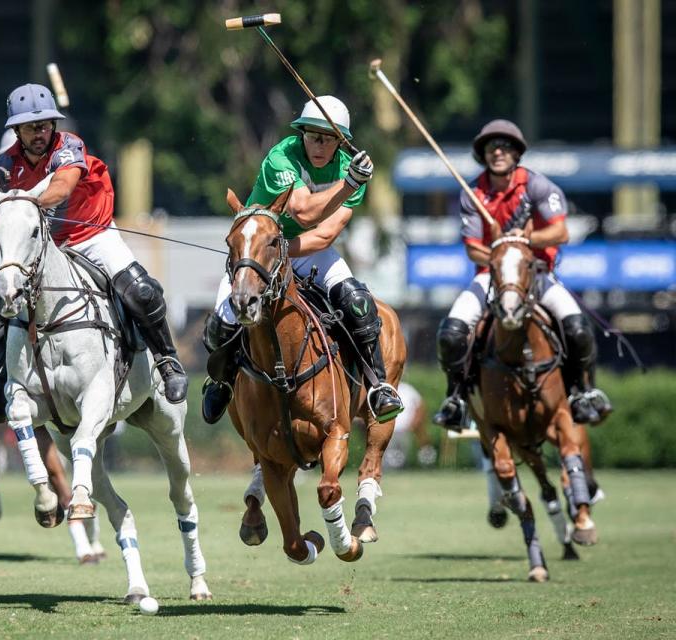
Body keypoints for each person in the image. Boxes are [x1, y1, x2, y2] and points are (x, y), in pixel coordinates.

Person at [0, 83, 187, 417]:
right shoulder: (6, 168)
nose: (40, 132)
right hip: (44, 247)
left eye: (45, 124)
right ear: (16, 130)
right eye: (30, 127)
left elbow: (62, 188)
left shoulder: (69, 147)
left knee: (140, 290)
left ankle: (167, 361)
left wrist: (19, 204)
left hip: (91, 235)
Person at [201, 96, 404, 424]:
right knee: (222, 323)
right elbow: (302, 211)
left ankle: (378, 386)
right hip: (257, 252)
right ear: (302, 135)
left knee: (358, 304)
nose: (318, 145)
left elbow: (324, 235)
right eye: (312, 136)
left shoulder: (348, 170)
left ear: (341, 141)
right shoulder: (283, 156)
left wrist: (350, 182)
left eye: (327, 138)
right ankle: (221, 382)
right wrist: (348, 183)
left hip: (308, 249)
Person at [432, 119, 612, 429]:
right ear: (484, 155)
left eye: (504, 147)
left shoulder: (536, 185)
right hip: (492, 273)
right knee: (451, 334)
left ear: (516, 153)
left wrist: (521, 244)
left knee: (578, 327)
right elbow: (473, 248)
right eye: (491, 147)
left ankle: (584, 391)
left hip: (535, 273)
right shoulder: (473, 193)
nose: (497, 152)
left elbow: (561, 231)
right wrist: (502, 256)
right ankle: (456, 398)